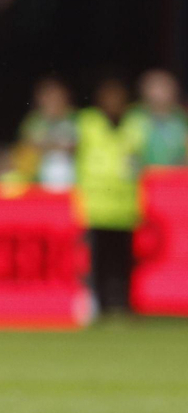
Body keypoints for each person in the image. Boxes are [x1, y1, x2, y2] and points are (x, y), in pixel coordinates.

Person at [75, 79, 144, 315]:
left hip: (125, 208)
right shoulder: (87, 123)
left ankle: (122, 305)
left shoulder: (135, 124)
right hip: (95, 207)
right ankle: (97, 305)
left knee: (124, 262)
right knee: (96, 262)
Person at [18, 76, 77, 189]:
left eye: (57, 96)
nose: (53, 100)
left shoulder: (75, 118)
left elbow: (78, 146)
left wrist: (47, 144)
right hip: (39, 175)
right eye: (48, 96)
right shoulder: (34, 121)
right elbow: (28, 146)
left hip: (73, 177)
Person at [128, 69, 188, 168]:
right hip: (145, 174)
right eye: (154, 87)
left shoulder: (180, 118)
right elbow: (128, 151)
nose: (159, 93)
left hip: (176, 173)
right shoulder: (135, 117)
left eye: (164, 87)